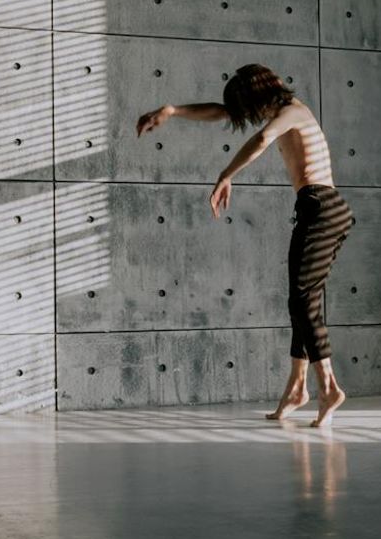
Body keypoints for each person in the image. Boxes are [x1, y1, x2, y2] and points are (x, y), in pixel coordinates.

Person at [136, 64, 355, 426]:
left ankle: (329, 387)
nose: (246, 116)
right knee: (302, 301)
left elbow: (261, 139)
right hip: (318, 208)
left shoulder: (292, 112)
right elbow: (220, 112)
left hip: (323, 208)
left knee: (302, 299)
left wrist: (226, 175)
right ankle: (297, 388)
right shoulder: (279, 109)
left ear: (261, 95)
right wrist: (172, 111)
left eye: (248, 107)